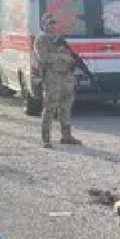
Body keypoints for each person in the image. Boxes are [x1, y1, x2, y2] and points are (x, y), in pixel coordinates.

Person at [34, 13, 92, 148]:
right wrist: (61, 57)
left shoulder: (60, 39)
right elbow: (43, 58)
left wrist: (72, 61)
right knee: (49, 107)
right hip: (52, 76)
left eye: (54, 23)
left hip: (66, 76)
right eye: (50, 23)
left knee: (66, 107)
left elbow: (69, 54)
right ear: (44, 24)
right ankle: (46, 138)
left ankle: (66, 135)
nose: (53, 25)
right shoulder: (41, 40)